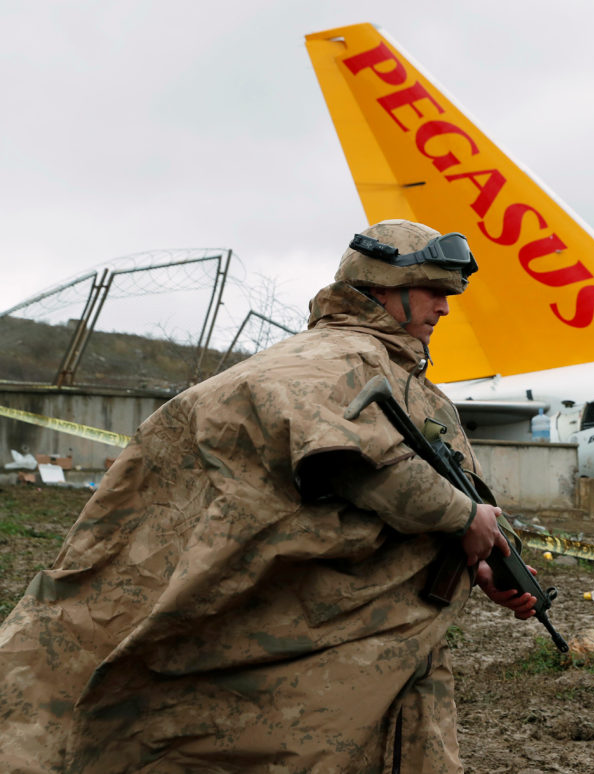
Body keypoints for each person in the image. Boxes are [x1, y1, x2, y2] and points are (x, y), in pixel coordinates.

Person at [0, 220, 537, 773]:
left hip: (373, 631)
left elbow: (420, 477)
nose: (444, 308)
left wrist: (482, 562)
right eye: (433, 291)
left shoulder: (380, 367)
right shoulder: (333, 362)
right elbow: (366, 467)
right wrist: (464, 517)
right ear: (381, 286)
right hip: (317, 627)